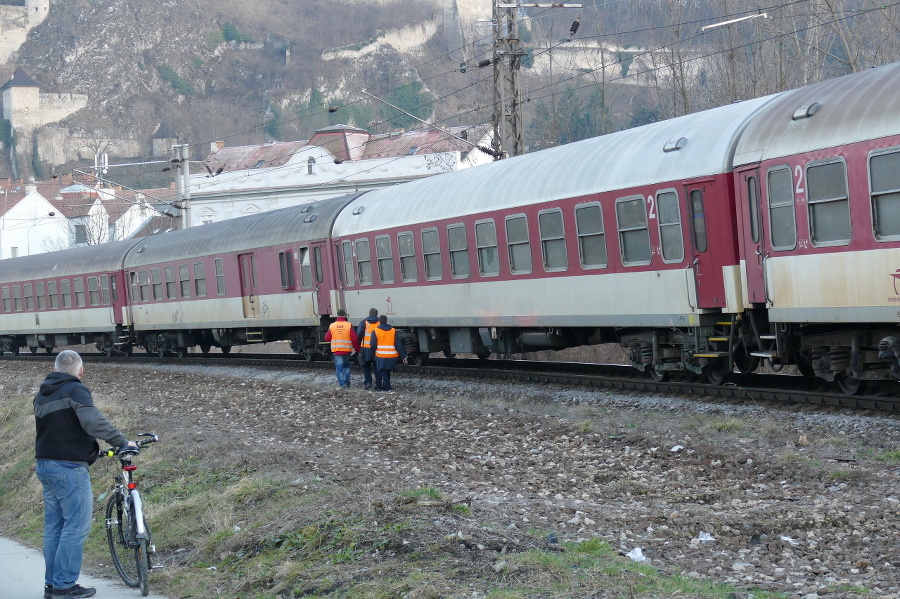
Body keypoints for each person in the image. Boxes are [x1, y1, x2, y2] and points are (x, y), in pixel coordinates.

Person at [33, 350, 136, 599]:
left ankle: (53, 584)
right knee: (75, 526)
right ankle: (65, 585)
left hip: (45, 464)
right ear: (80, 371)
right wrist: (122, 441)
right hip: (68, 467)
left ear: (56, 369)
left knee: (55, 527)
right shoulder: (76, 390)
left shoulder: (41, 393)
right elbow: (93, 422)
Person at [366, 314, 407, 392]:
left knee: (383, 370)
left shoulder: (375, 331)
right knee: (387, 370)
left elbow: (372, 344)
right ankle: (386, 387)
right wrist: (403, 356)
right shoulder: (393, 330)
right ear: (386, 321)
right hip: (392, 355)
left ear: (379, 321)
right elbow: (398, 344)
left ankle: (388, 388)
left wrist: (372, 353)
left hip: (380, 355)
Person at [324, 308, 359, 389]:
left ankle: (342, 385)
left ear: (337, 315)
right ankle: (347, 383)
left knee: (339, 368)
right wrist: (357, 349)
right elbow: (354, 338)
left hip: (336, 351)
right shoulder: (348, 325)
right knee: (346, 366)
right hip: (346, 351)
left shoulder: (332, 326)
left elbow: (327, 338)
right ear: (345, 316)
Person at [356, 308, 380, 390]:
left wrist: (359, 343)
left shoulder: (364, 322)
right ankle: (378, 385)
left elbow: (359, 333)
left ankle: (368, 382)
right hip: (377, 349)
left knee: (365, 366)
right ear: (377, 314)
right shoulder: (379, 323)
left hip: (365, 348)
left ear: (369, 314)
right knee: (377, 366)